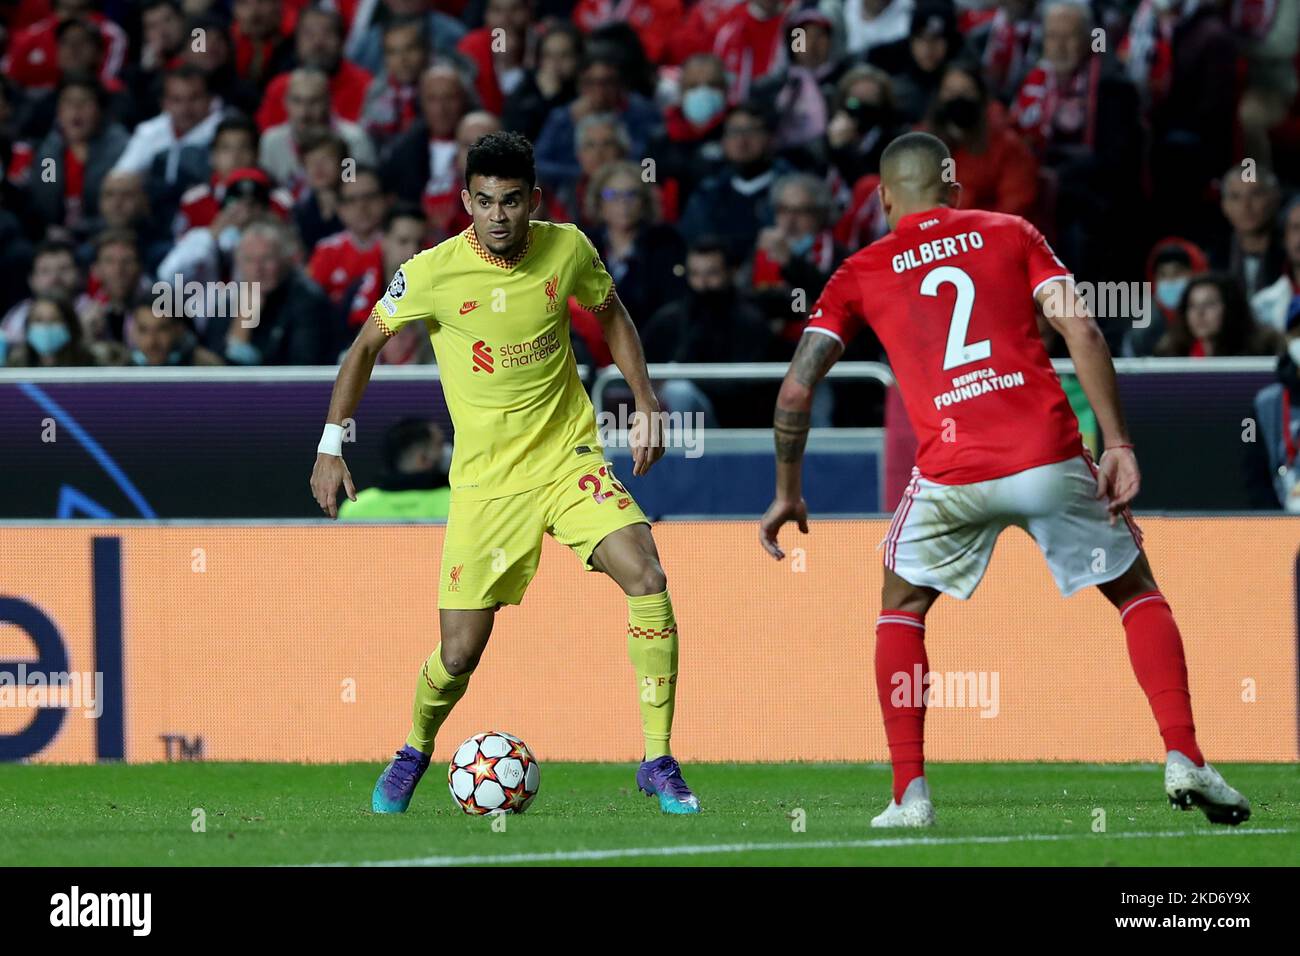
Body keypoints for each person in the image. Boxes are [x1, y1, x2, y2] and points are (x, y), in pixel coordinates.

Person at [759, 131, 1250, 829]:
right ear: (954, 187)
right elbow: (1082, 330)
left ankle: (910, 795)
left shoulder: (859, 271)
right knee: (1135, 591)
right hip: (1046, 453)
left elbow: (796, 391)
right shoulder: (1011, 230)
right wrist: (1118, 442)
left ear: (885, 196)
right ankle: (1184, 756)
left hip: (952, 471)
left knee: (901, 606)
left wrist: (787, 488)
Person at [310, 131, 700, 815]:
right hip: (488, 486)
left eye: (512, 202)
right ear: (465, 201)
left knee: (647, 575)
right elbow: (364, 346)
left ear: (534, 202)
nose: (498, 216)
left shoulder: (569, 248)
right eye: (484, 202)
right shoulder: (431, 271)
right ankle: (413, 748)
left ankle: (658, 758)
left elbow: (613, 316)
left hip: (566, 458)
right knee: (457, 656)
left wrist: (644, 399)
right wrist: (330, 444)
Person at [338, 418, 452, 520]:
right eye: (439, 444)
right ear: (422, 458)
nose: (448, 450)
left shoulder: (354, 508)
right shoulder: (455, 504)